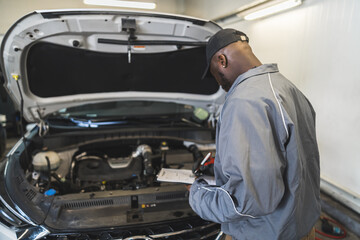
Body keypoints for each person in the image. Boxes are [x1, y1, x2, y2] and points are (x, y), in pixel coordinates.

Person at [188, 29, 320, 240]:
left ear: (222, 60)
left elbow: (250, 200)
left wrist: (197, 194)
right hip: (300, 227)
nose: (220, 84)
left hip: (265, 233)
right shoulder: (287, 87)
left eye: (215, 75)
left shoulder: (244, 101)